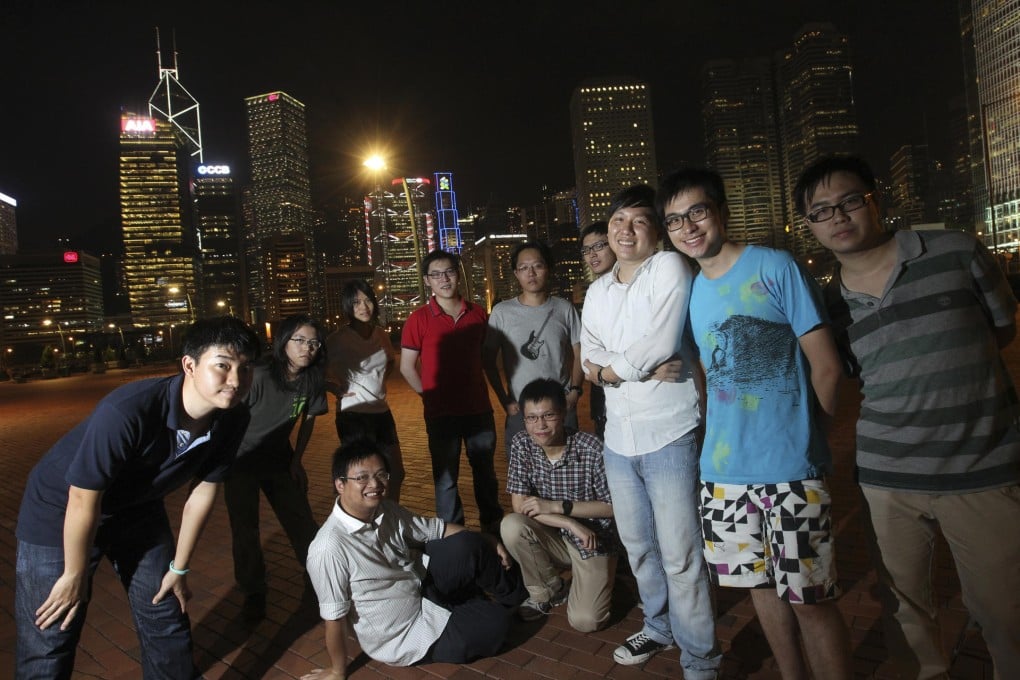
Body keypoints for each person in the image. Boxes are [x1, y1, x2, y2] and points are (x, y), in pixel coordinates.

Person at [794, 155, 1020, 679]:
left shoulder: (956, 251)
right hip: (887, 477)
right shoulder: (831, 301)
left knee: (1004, 611)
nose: (838, 217)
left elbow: (1002, 329)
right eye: (821, 211)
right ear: (810, 225)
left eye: (850, 201)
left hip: (982, 469)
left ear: (875, 199)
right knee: (905, 613)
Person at [659, 167, 851, 678]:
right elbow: (700, 371)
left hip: (791, 469)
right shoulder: (691, 291)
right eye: (675, 220)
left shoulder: (774, 266)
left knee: (810, 599)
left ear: (719, 210)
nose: (688, 227)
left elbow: (827, 367)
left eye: (697, 211)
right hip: (722, 474)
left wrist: (812, 440)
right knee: (760, 590)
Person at [15, 317, 260, 679]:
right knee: (52, 631)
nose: (236, 380)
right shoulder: (129, 408)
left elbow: (204, 490)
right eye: (223, 365)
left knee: (166, 614)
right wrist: (74, 572)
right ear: (190, 365)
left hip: (136, 509)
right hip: (61, 509)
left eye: (246, 367)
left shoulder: (233, 417)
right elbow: (83, 498)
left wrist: (179, 568)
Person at [580, 185, 721, 677]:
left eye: (639, 221)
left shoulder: (668, 269)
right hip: (618, 438)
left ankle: (700, 655)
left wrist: (610, 370)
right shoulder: (597, 291)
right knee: (638, 546)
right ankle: (659, 626)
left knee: (681, 552)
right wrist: (620, 368)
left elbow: (660, 342)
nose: (625, 229)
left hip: (670, 432)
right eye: (618, 220)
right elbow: (586, 357)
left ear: (656, 231)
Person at [301, 439, 526, 679]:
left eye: (380, 475)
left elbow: (435, 529)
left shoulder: (385, 509)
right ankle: (467, 607)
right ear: (340, 484)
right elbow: (333, 617)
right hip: (405, 631)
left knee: (469, 544)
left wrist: (486, 539)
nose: (375, 484)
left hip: (419, 583)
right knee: (495, 625)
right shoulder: (328, 548)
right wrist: (337, 671)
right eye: (362, 478)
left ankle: (518, 600)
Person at [225, 314, 329, 621]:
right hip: (241, 460)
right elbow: (230, 419)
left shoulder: (312, 379)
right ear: (284, 342)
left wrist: (297, 460)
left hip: (279, 458)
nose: (306, 348)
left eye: (313, 342)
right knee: (245, 528)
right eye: (299, 340)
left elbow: (308, 418)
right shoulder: (258, 376)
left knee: (302, 521)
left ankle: (318, 578)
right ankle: (253, 591)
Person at [500, 378, 618, 631]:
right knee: (512, 525)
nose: (539, 426)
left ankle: (607, 574)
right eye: (531, 418)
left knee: (586, 622)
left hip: (593, 540)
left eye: (548, 416)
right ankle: (547, 592)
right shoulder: (522, 444)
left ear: (564, 412)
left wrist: (558, 507)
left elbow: (612, 506)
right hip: (558, 535)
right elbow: (520, 505)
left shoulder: (592, 449)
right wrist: (567, 522)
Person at [400, 249, 503, 532]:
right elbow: (407, 367)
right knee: (446, 479)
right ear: (427, 281)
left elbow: (486, 359)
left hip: (478, 410)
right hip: (441, 414)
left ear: (458, 275)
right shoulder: (418, 319)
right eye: (436, 274)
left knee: (486, 475)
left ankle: (492, 532)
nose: (444, 279)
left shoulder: (478, 314)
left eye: (449, 272)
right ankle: (452, 536)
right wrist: (428, 395)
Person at [483, 240, 584, 454]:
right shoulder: (502, 312)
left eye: (537, 266)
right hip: (521, 408)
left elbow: (580, 351)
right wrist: (505, 400)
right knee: (522, 476)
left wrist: (574, 392)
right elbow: (488, 360)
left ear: (548, 269)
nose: (531, 273)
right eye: (523, 268)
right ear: (516, 273)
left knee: (566, 470)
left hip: (561, 406)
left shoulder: (564, 308)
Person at [326, 279, 405, 501]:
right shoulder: (337, 339)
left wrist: (378, 382)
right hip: (353, 415)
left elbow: (390, 361)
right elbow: (314, 371)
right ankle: (362, 523)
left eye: (368, 300)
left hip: (381, 412)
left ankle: (387, 520)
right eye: (357, 302)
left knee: (396, 472)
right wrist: (334, 387)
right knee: (361, 477)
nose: (364, 306)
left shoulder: (380, 333)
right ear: (348, 307)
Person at [580, 221, 616, 440]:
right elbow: (587, 358)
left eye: (599, 246)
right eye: (586, 250)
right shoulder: (594, 293)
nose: (592, 254)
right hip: (600, 390)